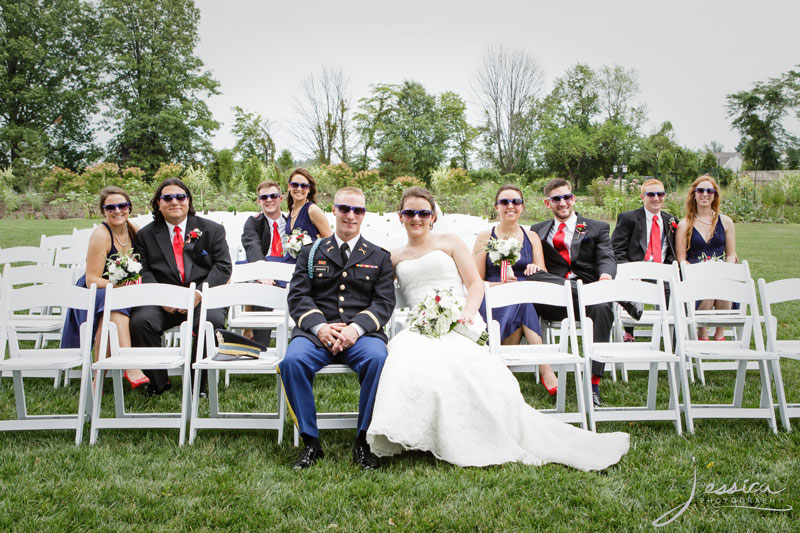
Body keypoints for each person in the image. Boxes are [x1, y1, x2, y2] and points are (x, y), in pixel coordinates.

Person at [367, 186, 629, 470]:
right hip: (420, 325)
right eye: (410, 212)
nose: (416, 218)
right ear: (400, 216)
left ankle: (471, 427)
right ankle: (411, 430)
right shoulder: (392, 257)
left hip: (459, 319)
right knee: (404, 355)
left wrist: (467, 311)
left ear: (432, 216)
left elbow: (475, 283)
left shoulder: (450, 242)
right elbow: (379, 295)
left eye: (423, 212)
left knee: (465, 362)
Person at [278, 187, 395, 470]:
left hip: (360, 336)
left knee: (378, 360)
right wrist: (319, 327)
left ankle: (363, 442)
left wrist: (356, 329)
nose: (351, 215)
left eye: (358, 210)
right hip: (317, 335)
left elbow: (383, 302)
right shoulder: (310, 253)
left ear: (365, 215)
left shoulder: (379, 256)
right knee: (292, 362)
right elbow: (298, 296)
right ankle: (311, 443)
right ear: (334, 210)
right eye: (345, 208)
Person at [129, 178, 232, 395]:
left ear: (188, 201)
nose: (174, 201)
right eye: (167, 197)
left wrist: (197, 294)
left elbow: (223, 267)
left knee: (210, 321)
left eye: (180, 197)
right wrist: (162, 297)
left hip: (201, 298)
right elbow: (144, 270)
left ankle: (197, 384)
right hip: (162, 301)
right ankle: (158, 382)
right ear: (159, 203)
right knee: (140, 321)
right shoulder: (146, 235)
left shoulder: (211, 230)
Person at [530, 178, 616, 408]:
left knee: (603, 306)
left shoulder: (597, 228)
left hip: (587, 300)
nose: (563, 202)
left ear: (573, 198)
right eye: (556, 198)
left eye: (566, 197)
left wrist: (606, 276)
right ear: (548, 203)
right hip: (556, 299)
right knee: (532, 277)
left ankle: (593, 383)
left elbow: (607, 257)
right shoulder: (536, 231)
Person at [472, 184, 558, 395]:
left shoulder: (531, 237)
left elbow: (543, 273)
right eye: (504, 202)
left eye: (516, 202)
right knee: (521, 300)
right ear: (497, 207)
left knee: (522, 296)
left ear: (522, 207)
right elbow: (475, 280)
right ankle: (545, 366)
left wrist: (535, 268)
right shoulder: (485, 236)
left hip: (525, 291)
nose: (510, 206)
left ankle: (502, 370)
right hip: (492, 295)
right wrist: (499, 285)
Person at [61, 186, 149, 389]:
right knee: (113, 305)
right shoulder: (101, 235)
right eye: (111, 207)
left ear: (129, 207)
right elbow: (92, 279)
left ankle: (97, 380)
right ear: (103, 211)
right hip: (94, 292)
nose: (117, 211)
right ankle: (130, 365)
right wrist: (118, 283)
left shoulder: (133, 229)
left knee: (111, 313)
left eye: (122, 205)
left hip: (119, 290)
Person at [611, 178, 678, 341]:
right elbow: (616, 249)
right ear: (643, 197)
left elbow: (672, 251)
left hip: (661, 272)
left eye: (660, 194)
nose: (656, 198)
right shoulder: (629, 218)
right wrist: (629, 271)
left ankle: (674, 338)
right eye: (651, 194)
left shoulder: (671, 221)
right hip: (636, 272)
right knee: (630, 287)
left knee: (676, 293)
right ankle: (628, 332)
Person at [676, 174, 737, 340]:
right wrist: (696, 272)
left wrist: (726, 269)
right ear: (694, 194)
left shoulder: (726, 222)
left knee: (722, 285)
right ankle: (702, 332)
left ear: (715, 195)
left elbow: (731, 254)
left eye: (709, 191)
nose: (705, 194)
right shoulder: (684, 224)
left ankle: (720, 333)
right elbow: (681, 258)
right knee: (708, 288)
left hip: (720, 271)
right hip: (695, 273)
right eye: (700, 190)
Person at [240, 180, 290, 344]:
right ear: (259, 201)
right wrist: (262, 272)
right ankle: (259, 344)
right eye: (264, 197)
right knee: (263, 288)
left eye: (273, 195)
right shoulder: (254, 222)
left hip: (287, 269)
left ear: (281, 198)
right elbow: (251, 245)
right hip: (263, 269)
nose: (269, 200)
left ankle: (252, 335)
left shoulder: (291, 222)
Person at [285, 167, 333, 248]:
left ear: (309, 189)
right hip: (289, 259)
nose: (299, 189)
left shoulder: (313, 210)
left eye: (304, 186)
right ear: (289, 187)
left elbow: (330, 241)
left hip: (308, 259)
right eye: (295, 185)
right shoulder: (291, 210)